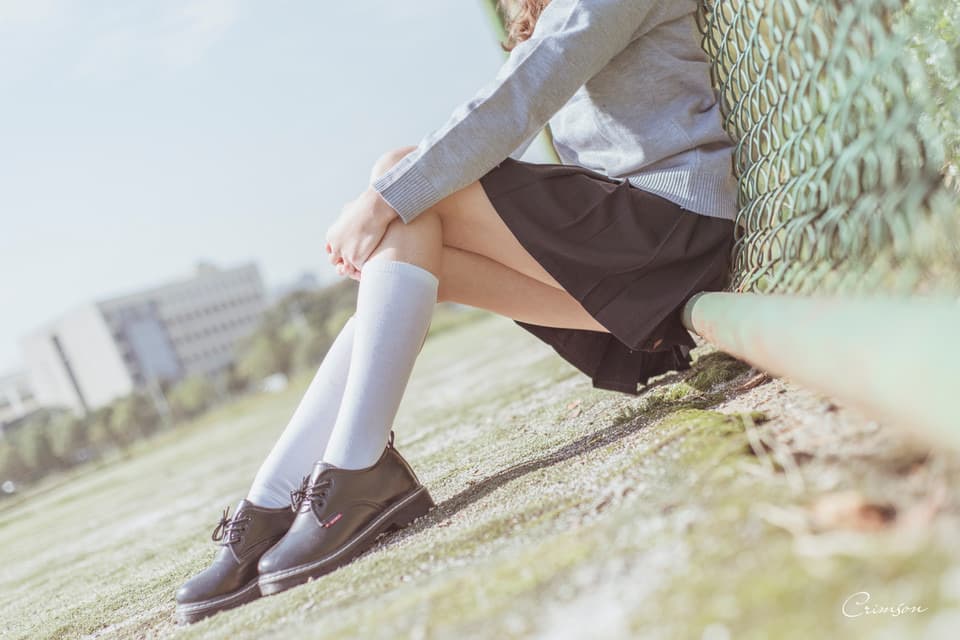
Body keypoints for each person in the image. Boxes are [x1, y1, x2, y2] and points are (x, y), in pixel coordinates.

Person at [174, 0, 738, 624]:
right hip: (635, 281)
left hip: (674, 232)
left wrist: (382, 197)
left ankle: (354, 475)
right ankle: (280, 495)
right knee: (417, 244)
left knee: (403, 184)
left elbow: (521, 96)